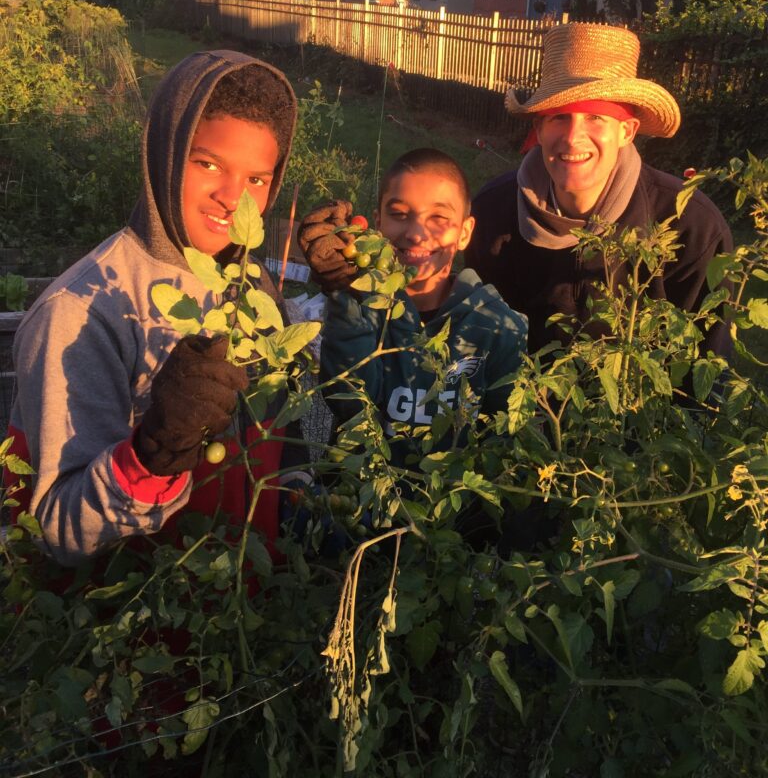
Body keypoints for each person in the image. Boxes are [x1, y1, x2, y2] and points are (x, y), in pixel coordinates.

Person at [7, 50, 303, 565]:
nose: (233, 198)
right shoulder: (81, 313)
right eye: (208, 164)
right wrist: (153, 453)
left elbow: (288, 423)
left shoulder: (250, 283)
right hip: (139, 624)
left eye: (256, 179)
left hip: (242, 615)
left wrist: (353, 299)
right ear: (166, 153)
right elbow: (54, 531)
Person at [465, 22, 733, 354]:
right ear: (539, 128)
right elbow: (477, 348)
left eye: (596, 117)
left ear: (627, 131)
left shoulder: (689, 226)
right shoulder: (492, 214)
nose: (573, 137)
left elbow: (704, 370)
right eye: (559, 117)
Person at [298, 148, 528, 460]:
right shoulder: (363, 304)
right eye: (400, 215)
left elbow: (506, 442)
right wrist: (343, 295)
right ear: (378, 223)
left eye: (439, 217)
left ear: (465, 232)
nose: (417, 233)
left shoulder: (498, 328)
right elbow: (350, 405)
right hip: (359, 500)